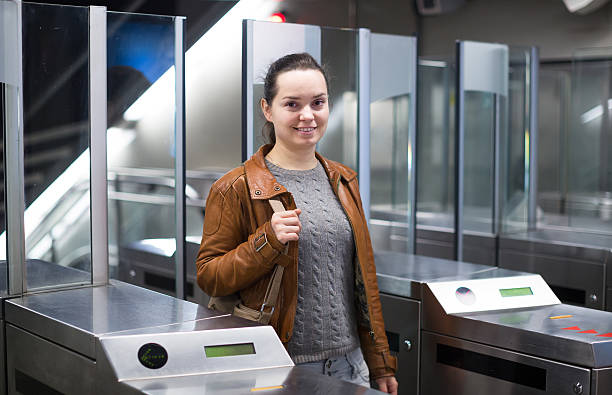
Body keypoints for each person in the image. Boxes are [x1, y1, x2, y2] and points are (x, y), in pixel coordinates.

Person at [196, 53, 398, 394]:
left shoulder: (343, 180)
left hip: (350, 365)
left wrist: (380, 363)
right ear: (268, 109)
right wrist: (266, 242)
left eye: (318, 102)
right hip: (279, 367)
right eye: (292, 104)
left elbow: (364, 281)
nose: (308, 115)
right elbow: (209, 276)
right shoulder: (235, 187)